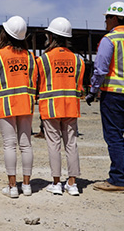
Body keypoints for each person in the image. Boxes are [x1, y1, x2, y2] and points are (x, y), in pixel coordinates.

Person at [86, 1, 124, 193]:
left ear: (114, 18)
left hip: (114, 95)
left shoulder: (109, 40)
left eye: (106, 18)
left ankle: (118, 180)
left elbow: (101, 69)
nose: (105, 21)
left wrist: (92, 91)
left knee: (114, 137)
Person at [0, 16, 37, 198]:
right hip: (25, 103)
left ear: (5, 34)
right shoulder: (31, 57)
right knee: (26, 145)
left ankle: (12, 186)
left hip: (6, 104)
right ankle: (27, 185)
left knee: (9, 144)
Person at [36, 17, 85, 196]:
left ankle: (56, 183)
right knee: (71, 144)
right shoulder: (77, 60)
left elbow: (38, 83)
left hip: (50, 108)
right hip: (71, 107)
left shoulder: (43, 60)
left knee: (54, 145)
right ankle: (72, 183)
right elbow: (79, 86)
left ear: (52, 37)